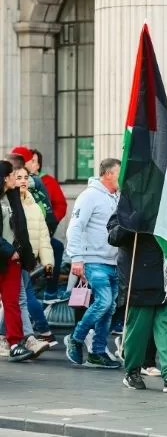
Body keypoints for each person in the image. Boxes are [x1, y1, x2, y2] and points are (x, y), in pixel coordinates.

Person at [108, 212, 167, 394]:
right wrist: (134, 218)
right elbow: (114, 236)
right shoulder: (131, 204)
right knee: (138, 329)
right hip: (141, 276)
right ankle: (132, 371)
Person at [64, 158, 122, 369]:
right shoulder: (89, 196)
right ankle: (76, 337)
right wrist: (76, 258)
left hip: (114, 261)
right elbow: (75, 227)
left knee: (109, 308)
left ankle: (97, 352)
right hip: (94, 260)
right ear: (107, 174)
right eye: (119, 172)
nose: (123, 177)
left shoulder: (119, 197)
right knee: (104, 302)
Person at [0, 160, 36, 362]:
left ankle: (15, 343)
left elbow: (21, 230)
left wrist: (26, 256)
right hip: (6, 254)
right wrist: (8, 251)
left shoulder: (13, 197)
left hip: (13, 259)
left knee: (12, 302)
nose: (17, 179)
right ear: (5, 178)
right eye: (14, 175)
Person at [26, 148, 67, 303]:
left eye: (34, 161)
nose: (31, 163)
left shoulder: (47, 181)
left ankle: (51, 291)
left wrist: (50, 224)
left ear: (38, 165)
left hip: (43, 232)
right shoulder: (18, 180)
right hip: (24, 235)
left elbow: (60, 205)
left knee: (55, 249)